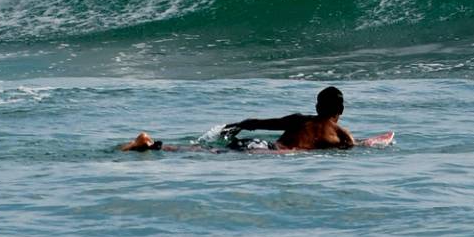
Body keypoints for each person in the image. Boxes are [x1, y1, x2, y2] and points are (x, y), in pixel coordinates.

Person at [115, 85, 356, 152]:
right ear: (341, 110)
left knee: (206, 150)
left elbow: (259, 123)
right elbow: (353, 147)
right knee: (212, 155)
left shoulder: (299, 119)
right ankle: (150, 146)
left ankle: (152, 145)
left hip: (261, 144)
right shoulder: (341, 134)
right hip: (270, 152)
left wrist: (239, 125)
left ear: (316, 106)